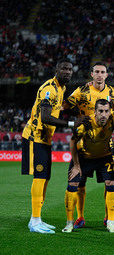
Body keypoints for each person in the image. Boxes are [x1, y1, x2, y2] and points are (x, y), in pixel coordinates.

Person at [21, 58, 89, 234]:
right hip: (34, 137)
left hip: (45, 139)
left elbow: (61, 108)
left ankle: (37, 219)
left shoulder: (62, 88)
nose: (67, 72)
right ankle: (34, 221)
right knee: (39, 177)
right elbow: (45, 116)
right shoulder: (49, 89)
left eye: (70, 69)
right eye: (64, 69)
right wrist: (72, 124)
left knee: (45, 177)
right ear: (56, 70)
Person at [62, 61, 114, 229]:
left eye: (103, 72)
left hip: (104, 144)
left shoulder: (112, 92)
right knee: (79, 183)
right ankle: (79, 217)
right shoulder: (82, 90)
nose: (100, 75)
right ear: (92, 74)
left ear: (106, 75)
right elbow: (66, 105)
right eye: (97, 72)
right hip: (83, 143)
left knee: (109, 183)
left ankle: (109, 218)